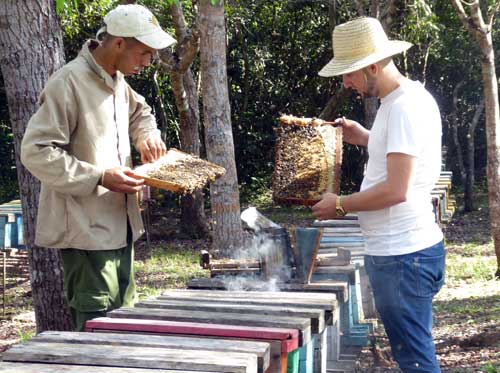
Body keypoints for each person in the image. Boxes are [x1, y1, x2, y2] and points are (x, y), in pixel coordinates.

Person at [21, 4, 176, 331]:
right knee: (98, 327)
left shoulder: (116, 80)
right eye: (144, 53)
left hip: (121, 228)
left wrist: (147, 134)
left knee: (126, 321)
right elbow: (36, 151)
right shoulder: (68, 82)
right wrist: (99, 176)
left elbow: (140, 112)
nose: (147, 62)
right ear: (118, 43)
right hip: (86, 232)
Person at [312, 17, 445, 372]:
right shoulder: (406, 99)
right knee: (414, 352)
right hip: (406, 252)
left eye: (350, 73)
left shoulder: (402, 107)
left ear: (372, 65)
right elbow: (407, 154)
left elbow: (397, 189)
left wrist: (339, 205)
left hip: (403, 256)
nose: (346, 83)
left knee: (416, 361)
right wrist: (365, 137)